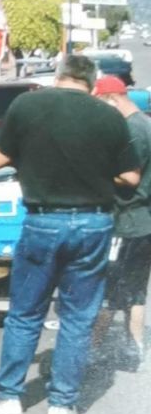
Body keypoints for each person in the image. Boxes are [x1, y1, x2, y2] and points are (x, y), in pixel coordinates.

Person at [0, 55, 139, 414]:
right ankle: (62, 404)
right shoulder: (109, 116)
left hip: (43, 220)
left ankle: (8, 396)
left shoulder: (28, 104)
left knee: (26, 312)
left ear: (60, 75)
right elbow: (130, 177)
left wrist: (34, 161)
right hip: (94, 223)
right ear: (92, 83)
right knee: (79, 318)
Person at [92, 76, 151, 370]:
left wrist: (99, 173)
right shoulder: (146, 123)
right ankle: (135, 347)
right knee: (137, 290)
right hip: (143, 221)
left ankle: (92, 348)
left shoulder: (132, 129)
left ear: (112, 99)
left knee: (109, 289)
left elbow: (130, 177)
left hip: (127, 220)